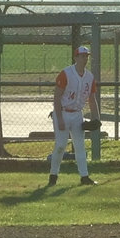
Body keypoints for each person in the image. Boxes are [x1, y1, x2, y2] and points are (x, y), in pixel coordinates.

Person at [48, 45, 100, 186]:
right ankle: (53, 175)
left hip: (77, 114)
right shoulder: (66, 73)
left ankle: (84, 177)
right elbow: (57, 97)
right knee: (60, 146)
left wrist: (97, 118)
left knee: (80, 146)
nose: (85, 58)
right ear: (75, 57)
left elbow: (92, 99)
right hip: (63, 112)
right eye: (82, 56)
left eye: (86, 56)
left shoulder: (89, 77)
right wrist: (59, 119)